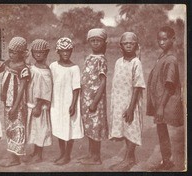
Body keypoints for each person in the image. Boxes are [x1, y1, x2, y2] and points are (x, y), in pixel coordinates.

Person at [146, 26, 184, 171]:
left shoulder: (171, 60)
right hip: (160, 102)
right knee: (161, 131)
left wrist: (161, 106)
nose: (161, 42)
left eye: (164, 39)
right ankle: (167, 160)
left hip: (165, 103)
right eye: (159, 39)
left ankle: (168, 160)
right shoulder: (162, 57)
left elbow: (169, 85)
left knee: (163, 131)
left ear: (173, 40)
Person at [109, 32, 146, 171]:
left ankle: (128, 159)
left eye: (132, 43)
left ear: (136, 45)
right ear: (121, 46)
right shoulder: (118, 62)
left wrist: (131, 107)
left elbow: (137, 86)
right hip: (119, 101)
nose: (129, 45)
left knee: (131, 127)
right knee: (125, 128)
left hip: (131, 102)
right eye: (126, 43)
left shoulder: (136, 62)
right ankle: (131, 157)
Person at [50, 37, 84, 165]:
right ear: (58, 52)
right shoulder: (53, 66)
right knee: (59, 127)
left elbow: (76, 88)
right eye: (62, 51)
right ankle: (62, 153)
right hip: (57, 102)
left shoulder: (74, 68)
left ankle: (67, 155)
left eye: (68, 51)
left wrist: (73, 104)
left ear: (71, 51)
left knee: (69, 128)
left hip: (69, 102)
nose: (65, 53)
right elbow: (50, 84)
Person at [0, 36, 30, 167]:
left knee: (17, 128)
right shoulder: (7, 63)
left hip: (17, 104)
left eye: (14, 52)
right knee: (9, 128)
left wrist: (15, 107)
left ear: (22, 53)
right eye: (10, 51)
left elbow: (22, 89)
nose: (11, 55)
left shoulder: (23, 69)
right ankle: (13, 156)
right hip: (7, 103)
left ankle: (15, 158)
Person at [79, 28, 108, 165]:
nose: (96, 43)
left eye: (98, 41)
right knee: (90, 127)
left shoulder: (101, 60)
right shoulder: (89, 58)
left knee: (96, 128)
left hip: (96, 101)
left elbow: (103, 82)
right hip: (86, 99)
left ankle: (96, 157)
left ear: (103, 42)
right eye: (93, 40)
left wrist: (95, 102)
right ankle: (90, 154)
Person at [25, 39, 53, 163]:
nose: (38, 55)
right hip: (31, 104)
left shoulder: (45, 71)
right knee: (34, 129)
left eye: (41, 53)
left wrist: (39, 104)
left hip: (39, 106)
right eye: (35, 52)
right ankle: (35, 152)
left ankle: (39, 154)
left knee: (40, 129)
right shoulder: (32, 68)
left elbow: (45, 91)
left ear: (46, 54)